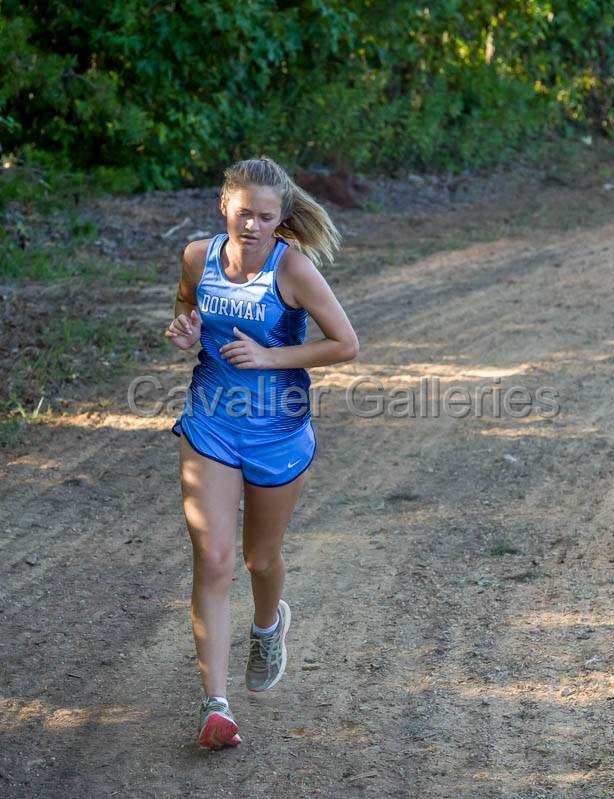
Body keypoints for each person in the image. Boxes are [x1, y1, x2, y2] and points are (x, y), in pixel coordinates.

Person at [164, 156, 360, 750]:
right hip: (212, 423)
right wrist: (187, 332)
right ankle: (215, 706)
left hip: (278, 431)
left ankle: (269, 626)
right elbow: (183, 308)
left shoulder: (293, 269)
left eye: (265, 217)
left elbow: (345, 344)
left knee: (258, 560)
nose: (252, 226)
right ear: (224, 206)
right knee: (215, 560)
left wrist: (272, 357)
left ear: (281, 219)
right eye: (243, 213)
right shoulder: (199, 257)